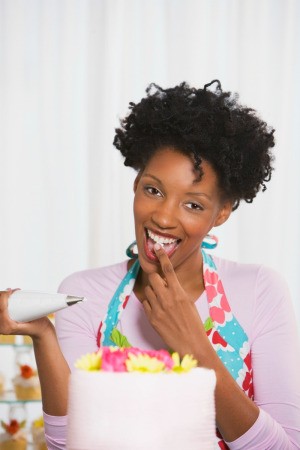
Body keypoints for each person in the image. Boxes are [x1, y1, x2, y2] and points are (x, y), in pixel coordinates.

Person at [1, 80, 300, 449]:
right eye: (153, 190)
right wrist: (43, 335)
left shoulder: (259, 289)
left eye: (193, 204)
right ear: (136, 184)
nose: (163, 217)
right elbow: (70, 445)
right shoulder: (83, 293)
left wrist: (195, 347)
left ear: (221, 213)